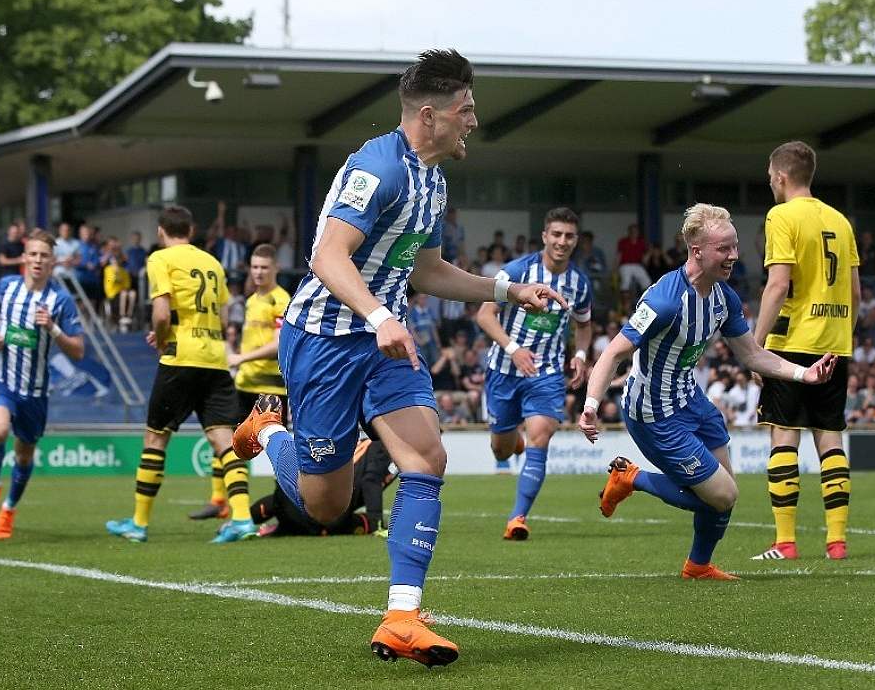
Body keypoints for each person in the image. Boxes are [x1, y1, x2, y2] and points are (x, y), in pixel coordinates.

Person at [230, 50, 562, 667]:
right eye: (466, 111)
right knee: (327, 506)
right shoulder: (378, 167)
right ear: (430, 115)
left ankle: (402, 617)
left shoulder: (433, 180)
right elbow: (328, 257)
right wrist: (379, 315)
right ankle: (270, 431)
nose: (474, 121)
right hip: (326, 341)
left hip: (384, 344)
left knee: (427, 456)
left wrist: (507, 290)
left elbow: (429, 271)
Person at [578, 203, 837, 580]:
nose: (734, 256)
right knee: (722, 495)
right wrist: (591, 403)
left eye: (734, 247)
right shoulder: (665, 300)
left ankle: (697, 566)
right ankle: (630, 478)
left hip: (691, 401)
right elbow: (615, 352)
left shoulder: (724, 298)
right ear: (696, 250)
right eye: (724, 248)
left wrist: (804, 374)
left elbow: (751, 354)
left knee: (724, 495)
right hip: (654, 412)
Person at [105, 205, 257, 544]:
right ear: (191, 230)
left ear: (161, 231)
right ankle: (243, 519)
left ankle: (139, 523)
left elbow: (161, 314)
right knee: (224, 442)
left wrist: (162, 339)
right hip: (214, 358)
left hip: (180, 357)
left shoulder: (160, 259)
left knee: (155, 439)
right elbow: (217, 316)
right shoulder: (213, 263)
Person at [750, 141, 859, 562]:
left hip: (791, 341)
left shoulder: (781, 215)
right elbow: (855, 293)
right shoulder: (840, 220)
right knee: (830, 439)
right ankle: (836, 543)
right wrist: (840, 337)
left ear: (779, 176)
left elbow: (778, 283)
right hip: (835, 341)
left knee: (784, 435)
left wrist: (754, 346)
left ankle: (785, 542)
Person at [475, 207, 592, 541]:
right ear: (544, 236)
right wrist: (514, 349)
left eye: (569, 236)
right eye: (556, 234)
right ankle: (515, 442)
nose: (562, 241)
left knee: (541, 437)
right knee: (501, 448)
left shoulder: (579, 284)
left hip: (548, 374)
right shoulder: (516, 271)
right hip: (503, 369)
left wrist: (581, 354)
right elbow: (485, 316)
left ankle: (517, 518)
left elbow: (584, 326)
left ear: (576, 240)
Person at [0, 228, 85, 540]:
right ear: (24, 257)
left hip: (34, 391)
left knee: (24, 455)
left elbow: (78, 350)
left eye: (44, 256)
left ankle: (8, 510)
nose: (37, 260)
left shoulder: (60, 301)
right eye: (33, 254)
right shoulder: (7, 287)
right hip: (0, 379)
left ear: (53, 262)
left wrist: (53, 329)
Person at [187, 243, 291, 522]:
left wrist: (241, 357)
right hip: (244, 384)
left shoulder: (280, 300)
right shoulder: (251, 300)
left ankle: (285, 506)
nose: (258, 272)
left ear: (275, 269)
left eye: (264, 267)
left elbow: (280, 343)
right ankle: (219, 500)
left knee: (277, 450)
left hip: (270, 388)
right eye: (255, 267)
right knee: (226, 440)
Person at [252, 433, 394, 537]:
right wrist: (376, 523)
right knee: (350, 522)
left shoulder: (365, 443)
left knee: (287, 499)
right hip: (330, 517)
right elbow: (371, 481)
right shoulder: (384, 446)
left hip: (294, 504)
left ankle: (246, 520)